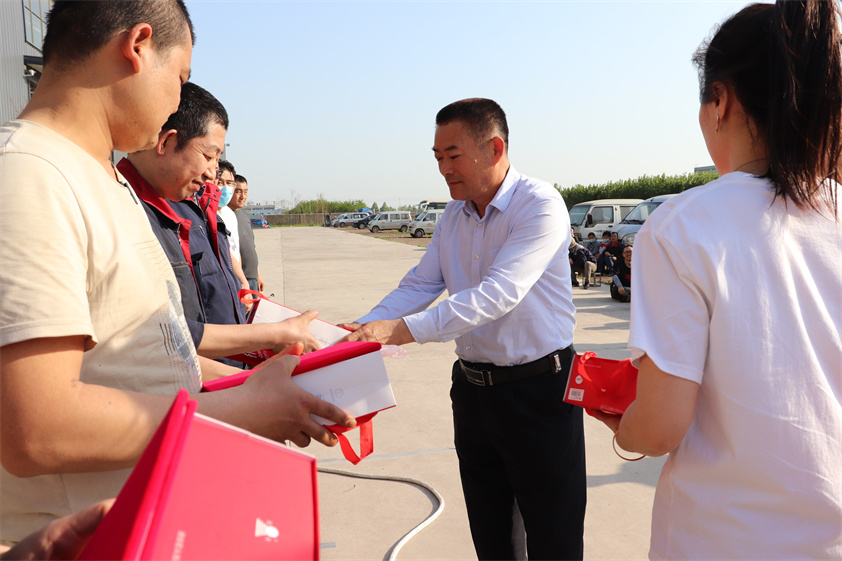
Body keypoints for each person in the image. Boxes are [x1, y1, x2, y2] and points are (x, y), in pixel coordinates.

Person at [0, 0, 353, 544]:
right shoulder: (29, 177)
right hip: (83, 539)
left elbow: (151, 360)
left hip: (152, 524)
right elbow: (37, 428)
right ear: (138, 46)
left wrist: (259, 388)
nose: (176, 101)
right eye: (180, 77)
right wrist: (239, 408)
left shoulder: (103, 180)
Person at [593, 1, 842, 558]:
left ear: (720, 101)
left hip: (723, 539)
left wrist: (625, 428)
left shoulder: (681, 227)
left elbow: (661, 427)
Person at [344, 98, 585, 560]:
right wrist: (365, 327)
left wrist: (398, 331)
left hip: (539, 391)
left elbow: (499, 293)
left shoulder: (539, 205)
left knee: (553, 534)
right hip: (474, 394)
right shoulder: (454, 216)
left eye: (453, 156)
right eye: (437, 158)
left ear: (495, 149)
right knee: (491, 533)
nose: (444, 169)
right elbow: (421, 283)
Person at [118, 82, 319, 361]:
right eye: (209, 156)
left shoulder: (193, 205)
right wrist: (270, 336)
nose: (213, 173)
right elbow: (156, 333)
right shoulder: (122, 211)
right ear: (166, 142)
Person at [231, 174, 265, 292]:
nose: (243, 196)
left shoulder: (244, 214)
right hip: (240, 281)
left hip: (252, 278)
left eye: (245, 192)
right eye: (238, 191)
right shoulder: (225, 216)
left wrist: (258, 276)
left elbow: (251, 247)